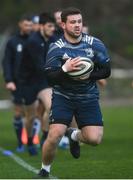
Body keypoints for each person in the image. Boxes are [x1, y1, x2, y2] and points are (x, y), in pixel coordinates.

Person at [37, 7, 111, 178]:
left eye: (79, 21)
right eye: (73, 22)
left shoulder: (95, 44)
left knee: (94, 139)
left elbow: (106, 71)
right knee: (55, 134)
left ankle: (73, 135)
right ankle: (44, 170)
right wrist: (65, 69)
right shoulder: (56, 48)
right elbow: (50, 78)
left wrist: (87, 75)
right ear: (63, 25)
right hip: (64, 97)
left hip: (88, 97)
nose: (77, 25)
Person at [19, 12, 55, 155]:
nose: (52, 29)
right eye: (49, 26)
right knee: (30, 116)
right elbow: (40, 66)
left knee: (51, 107)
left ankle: (45, 137)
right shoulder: (33, 41)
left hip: (42, 81)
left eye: (53, 26)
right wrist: (59, 73)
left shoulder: (52, 39)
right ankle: (29, 140)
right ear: (41, 26)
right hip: (28, 82)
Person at [2, 15, 32, 152]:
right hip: (17, 82)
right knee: (19, 112)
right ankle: (21, 142)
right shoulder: (12, 42)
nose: (29, 28)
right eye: (26, 25)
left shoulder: (35, 40)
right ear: (20, 24)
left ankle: (32, 141)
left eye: (30, 25)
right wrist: (9, 80)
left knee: (34, 113)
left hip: (33, 83)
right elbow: (7, 62)